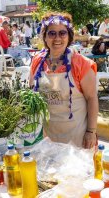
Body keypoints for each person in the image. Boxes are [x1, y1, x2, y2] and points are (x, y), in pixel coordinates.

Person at [29, 12, 98, 149]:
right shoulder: (37, 61)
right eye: (52, 33)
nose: (57, 38)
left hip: (77, 136)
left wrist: (91, 131)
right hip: (47, 136)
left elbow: (91, 98)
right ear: (45, 37)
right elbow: (31, 95)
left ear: (69, 36)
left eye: (62, 33)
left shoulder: (81, 64)